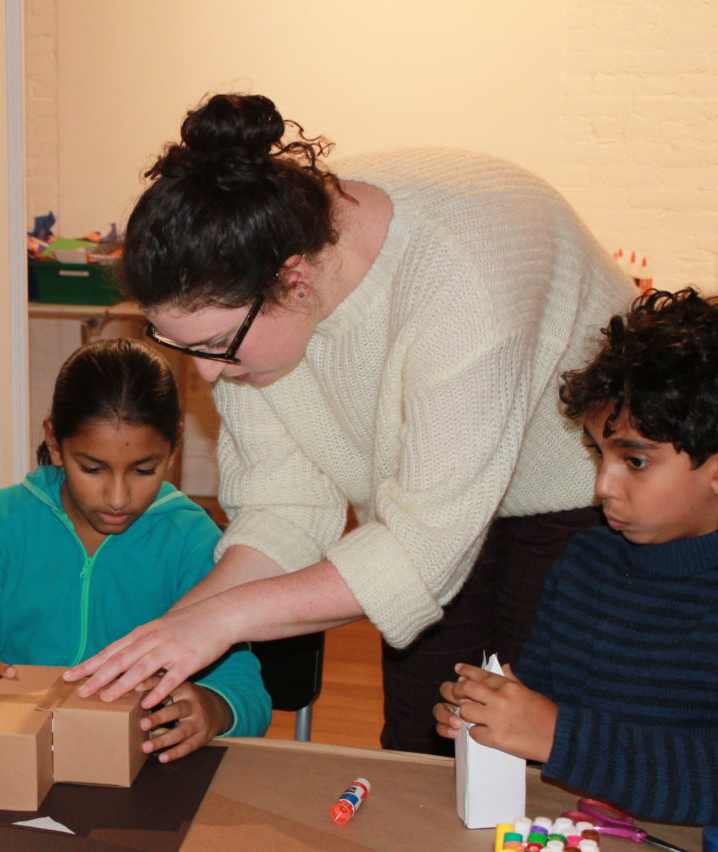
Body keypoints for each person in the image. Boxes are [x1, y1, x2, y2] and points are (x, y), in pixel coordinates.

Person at [64, 92, 633, 755]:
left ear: (295, 281)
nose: (209, 376)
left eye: (217, 344)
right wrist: (174, 631)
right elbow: (286, 509)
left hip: (575, 493)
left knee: (540, 745)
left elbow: (420, 557)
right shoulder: (245, 274)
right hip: (420, 500)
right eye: (183, 347)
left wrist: (219, 621)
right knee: (425, 743)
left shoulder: (461, 279)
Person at [0, 338, 271, 763]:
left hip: (142, 772)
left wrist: (215, 707)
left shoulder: (191, 540)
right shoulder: (1, 524)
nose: (117, 498)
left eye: (144, 469)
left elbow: (247, 691)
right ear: (55, 443)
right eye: (93, 469)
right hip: (16, 760)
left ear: (175, 447)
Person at [434, 288, 718, 825]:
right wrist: (493, 714)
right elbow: (544, 704)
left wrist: (554, 734)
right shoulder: (588, 561)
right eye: (597, 453)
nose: (602, 486)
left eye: (634, 461)